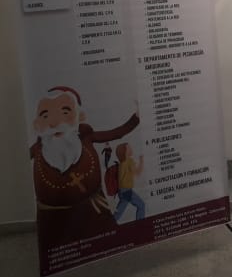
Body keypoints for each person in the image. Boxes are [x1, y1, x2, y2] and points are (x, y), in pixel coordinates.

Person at [28, 87, 139, 246]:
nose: (54, 123)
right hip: (54, 224)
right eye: (45, 116)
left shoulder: (86, 137)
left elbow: (117, 133)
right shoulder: (38, 149)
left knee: (106, 244)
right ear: (37, 124)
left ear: (80, 116)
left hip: (95, 215)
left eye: (65, 112)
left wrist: (137, 117)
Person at [113, 142, 146, 222]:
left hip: (121, 191)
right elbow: (137, 173)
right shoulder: (129, 161)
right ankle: (141, 226)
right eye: (129, 148)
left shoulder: (121, 162)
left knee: (118, 212)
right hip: (127, 191)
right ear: (125, 151)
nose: (131, 148)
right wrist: (141, 161)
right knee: (141, 205)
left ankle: (110, 224)